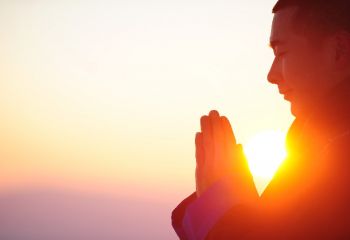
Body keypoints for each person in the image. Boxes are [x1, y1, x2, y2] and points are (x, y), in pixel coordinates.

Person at [172, 0, 350, 239]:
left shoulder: (338, 165)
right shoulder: (312, 154)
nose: (271, 75)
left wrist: (219, 210)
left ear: (339, 50)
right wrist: (238, 205)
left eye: (282, 52)